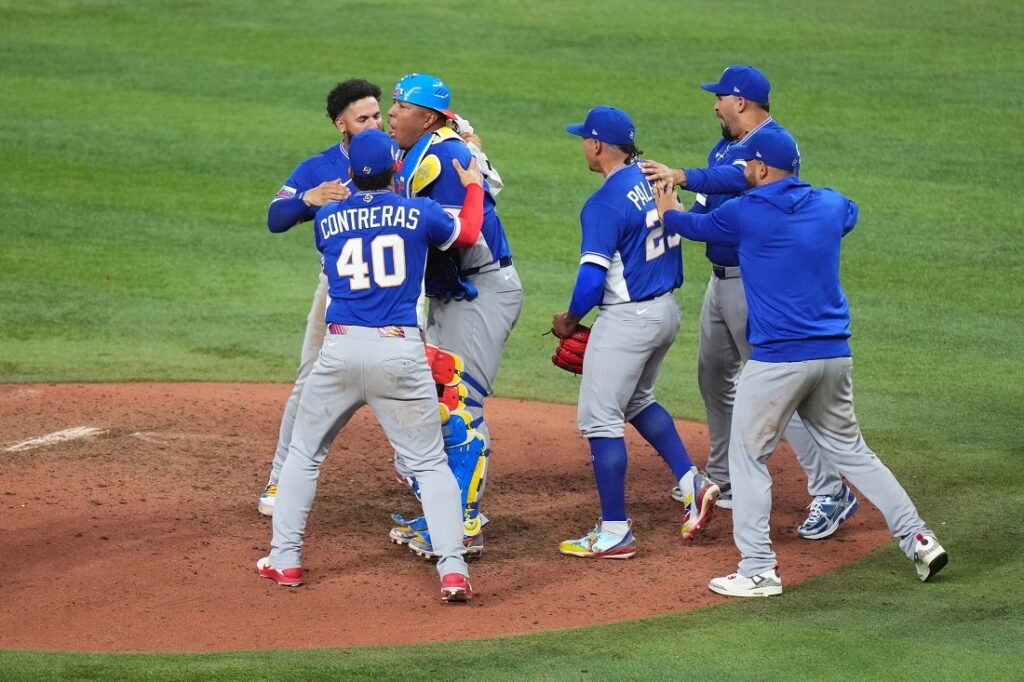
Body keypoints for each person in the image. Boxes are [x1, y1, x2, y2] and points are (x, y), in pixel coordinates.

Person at [651, 127, 948, 596]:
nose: (743, 170)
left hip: (777, 363)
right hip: (833, 357)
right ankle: (918, 538)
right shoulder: (830, 205)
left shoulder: (745, 213)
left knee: (747, 458)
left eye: (747, 164)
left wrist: (667, 203)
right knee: (856, 453)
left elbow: (688, 226)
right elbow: (850, 212)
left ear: (763, 169)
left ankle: (757, 569)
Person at [255, 129, 487, 603]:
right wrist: (474, 185)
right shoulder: (419, 213)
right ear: (396, 168)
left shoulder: (328, 218)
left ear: (350, 175)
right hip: (399, 352)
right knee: (429, 463)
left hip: (339, 351)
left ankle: (285, 559)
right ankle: (452, 571)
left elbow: (322, 227)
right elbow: (467, 233)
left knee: (303, 455)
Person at [642, 65, 858, 541]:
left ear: (740, 101)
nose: (714, 105)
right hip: (720, 282)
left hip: (754, 284)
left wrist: (680, 174)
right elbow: (705, 206)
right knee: (713, 375)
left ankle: (830, 490)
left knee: (783, 390)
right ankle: (724, 476)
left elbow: (735, 179)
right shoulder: (723, 144)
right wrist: (670, 219)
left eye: (719, 97)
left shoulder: (772, 145)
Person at [552, 105, 719, 559]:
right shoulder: (654, 177)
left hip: (628, 320)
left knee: (600, 419)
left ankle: (614, 531)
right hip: (665, 312)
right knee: (636, 400)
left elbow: (591, 280)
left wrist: (568, 320)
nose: (583, 145)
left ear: (597, 145)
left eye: (584, 139)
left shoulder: (604, 203)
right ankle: (692, 483)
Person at [385, 73, 523, 559]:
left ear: (426, 117)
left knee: (461, 407)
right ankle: (446, 512)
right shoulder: (428, 147)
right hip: (454, 292)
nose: (391, 112)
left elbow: (458, 234)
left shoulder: (443, 157)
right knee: (442, 402)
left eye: (400, 105)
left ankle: (463, 525)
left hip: (479, 290)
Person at [257, 78, 382, 516]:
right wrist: (308, 199)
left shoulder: (398, 159)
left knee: (413, 383)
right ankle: (278, 482)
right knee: (309, 382)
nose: (373, 123)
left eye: (377, 115)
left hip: (400, 291)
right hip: (337, 289)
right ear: (340, 124)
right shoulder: (318, 167)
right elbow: (275, 218)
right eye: (362, 117)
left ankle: (418, 472)